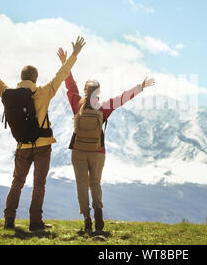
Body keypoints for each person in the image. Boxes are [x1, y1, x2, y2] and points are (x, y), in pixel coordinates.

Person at [0, 36, 86, 231]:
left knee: (17, 182)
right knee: (39, 184)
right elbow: (62, 74)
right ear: (35, 79)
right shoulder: (44, 92)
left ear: (21, 78)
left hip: (22, 146)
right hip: (42, 146)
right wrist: (73, 55)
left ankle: (9, 220)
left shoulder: (8, 93)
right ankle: (35, 222)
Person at [59, 49, 155, 233]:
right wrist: (140, 87)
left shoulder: (77, 104)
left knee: (81, 184)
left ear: (85, 91)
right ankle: (99, 212)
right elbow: (122, 98)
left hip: (78, 151)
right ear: (98, 92)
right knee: (95, 182)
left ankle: (86, 218)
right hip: (98, 152)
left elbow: (70, 86)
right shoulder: (103, 108)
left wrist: (65, 63)